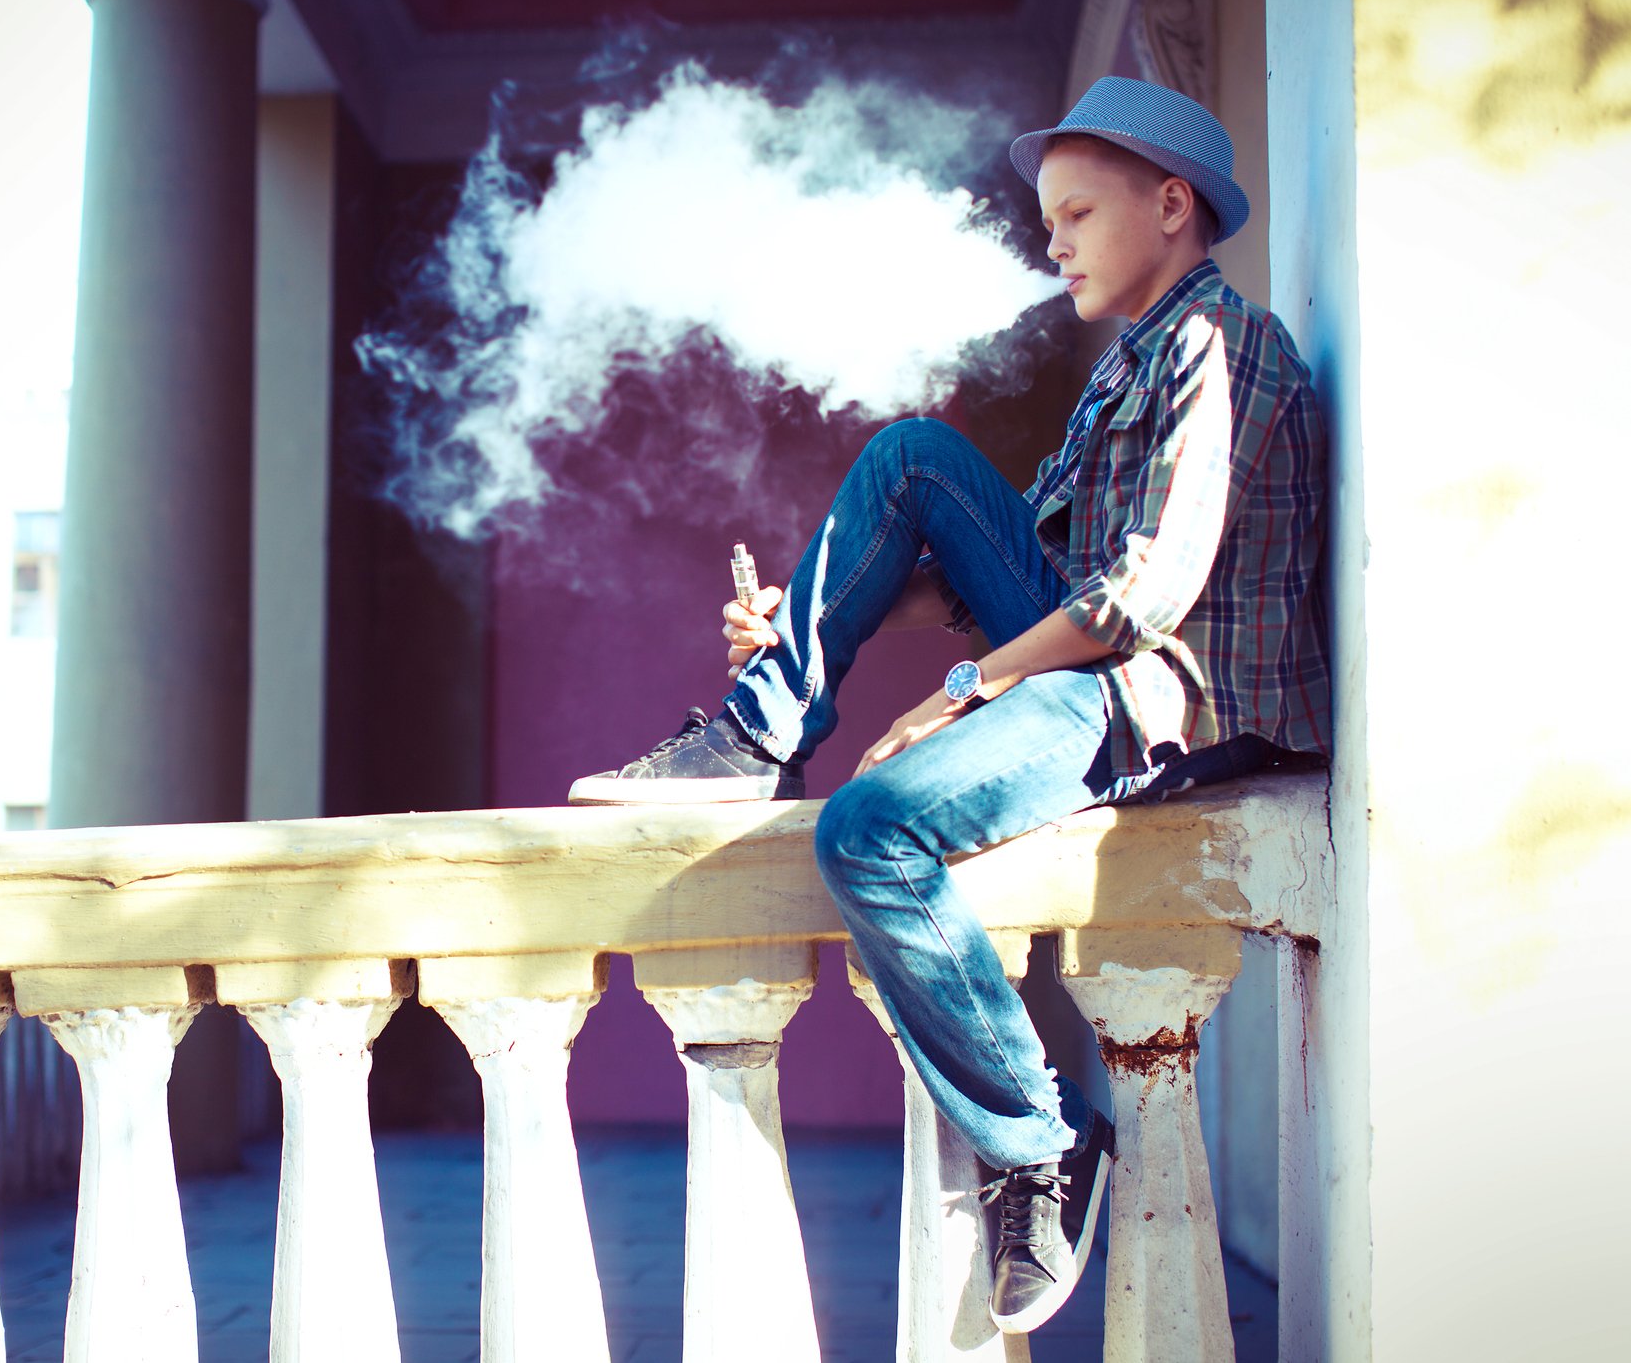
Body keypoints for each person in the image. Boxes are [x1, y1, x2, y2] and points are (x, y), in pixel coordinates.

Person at [567, 76, 1331, 1335]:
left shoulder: (1219, 343)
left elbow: (1143, 593)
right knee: (910, 455)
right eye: (1052, 220)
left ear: (1175, 205)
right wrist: (820, 614)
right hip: (1089, 656)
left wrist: (968, 693)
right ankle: (761, 723)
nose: (1056, 242)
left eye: (1080, 213)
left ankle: (1039, 1144)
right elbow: (1002, 569)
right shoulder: (1124, 368)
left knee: (868, 832)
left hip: (1155, 695)